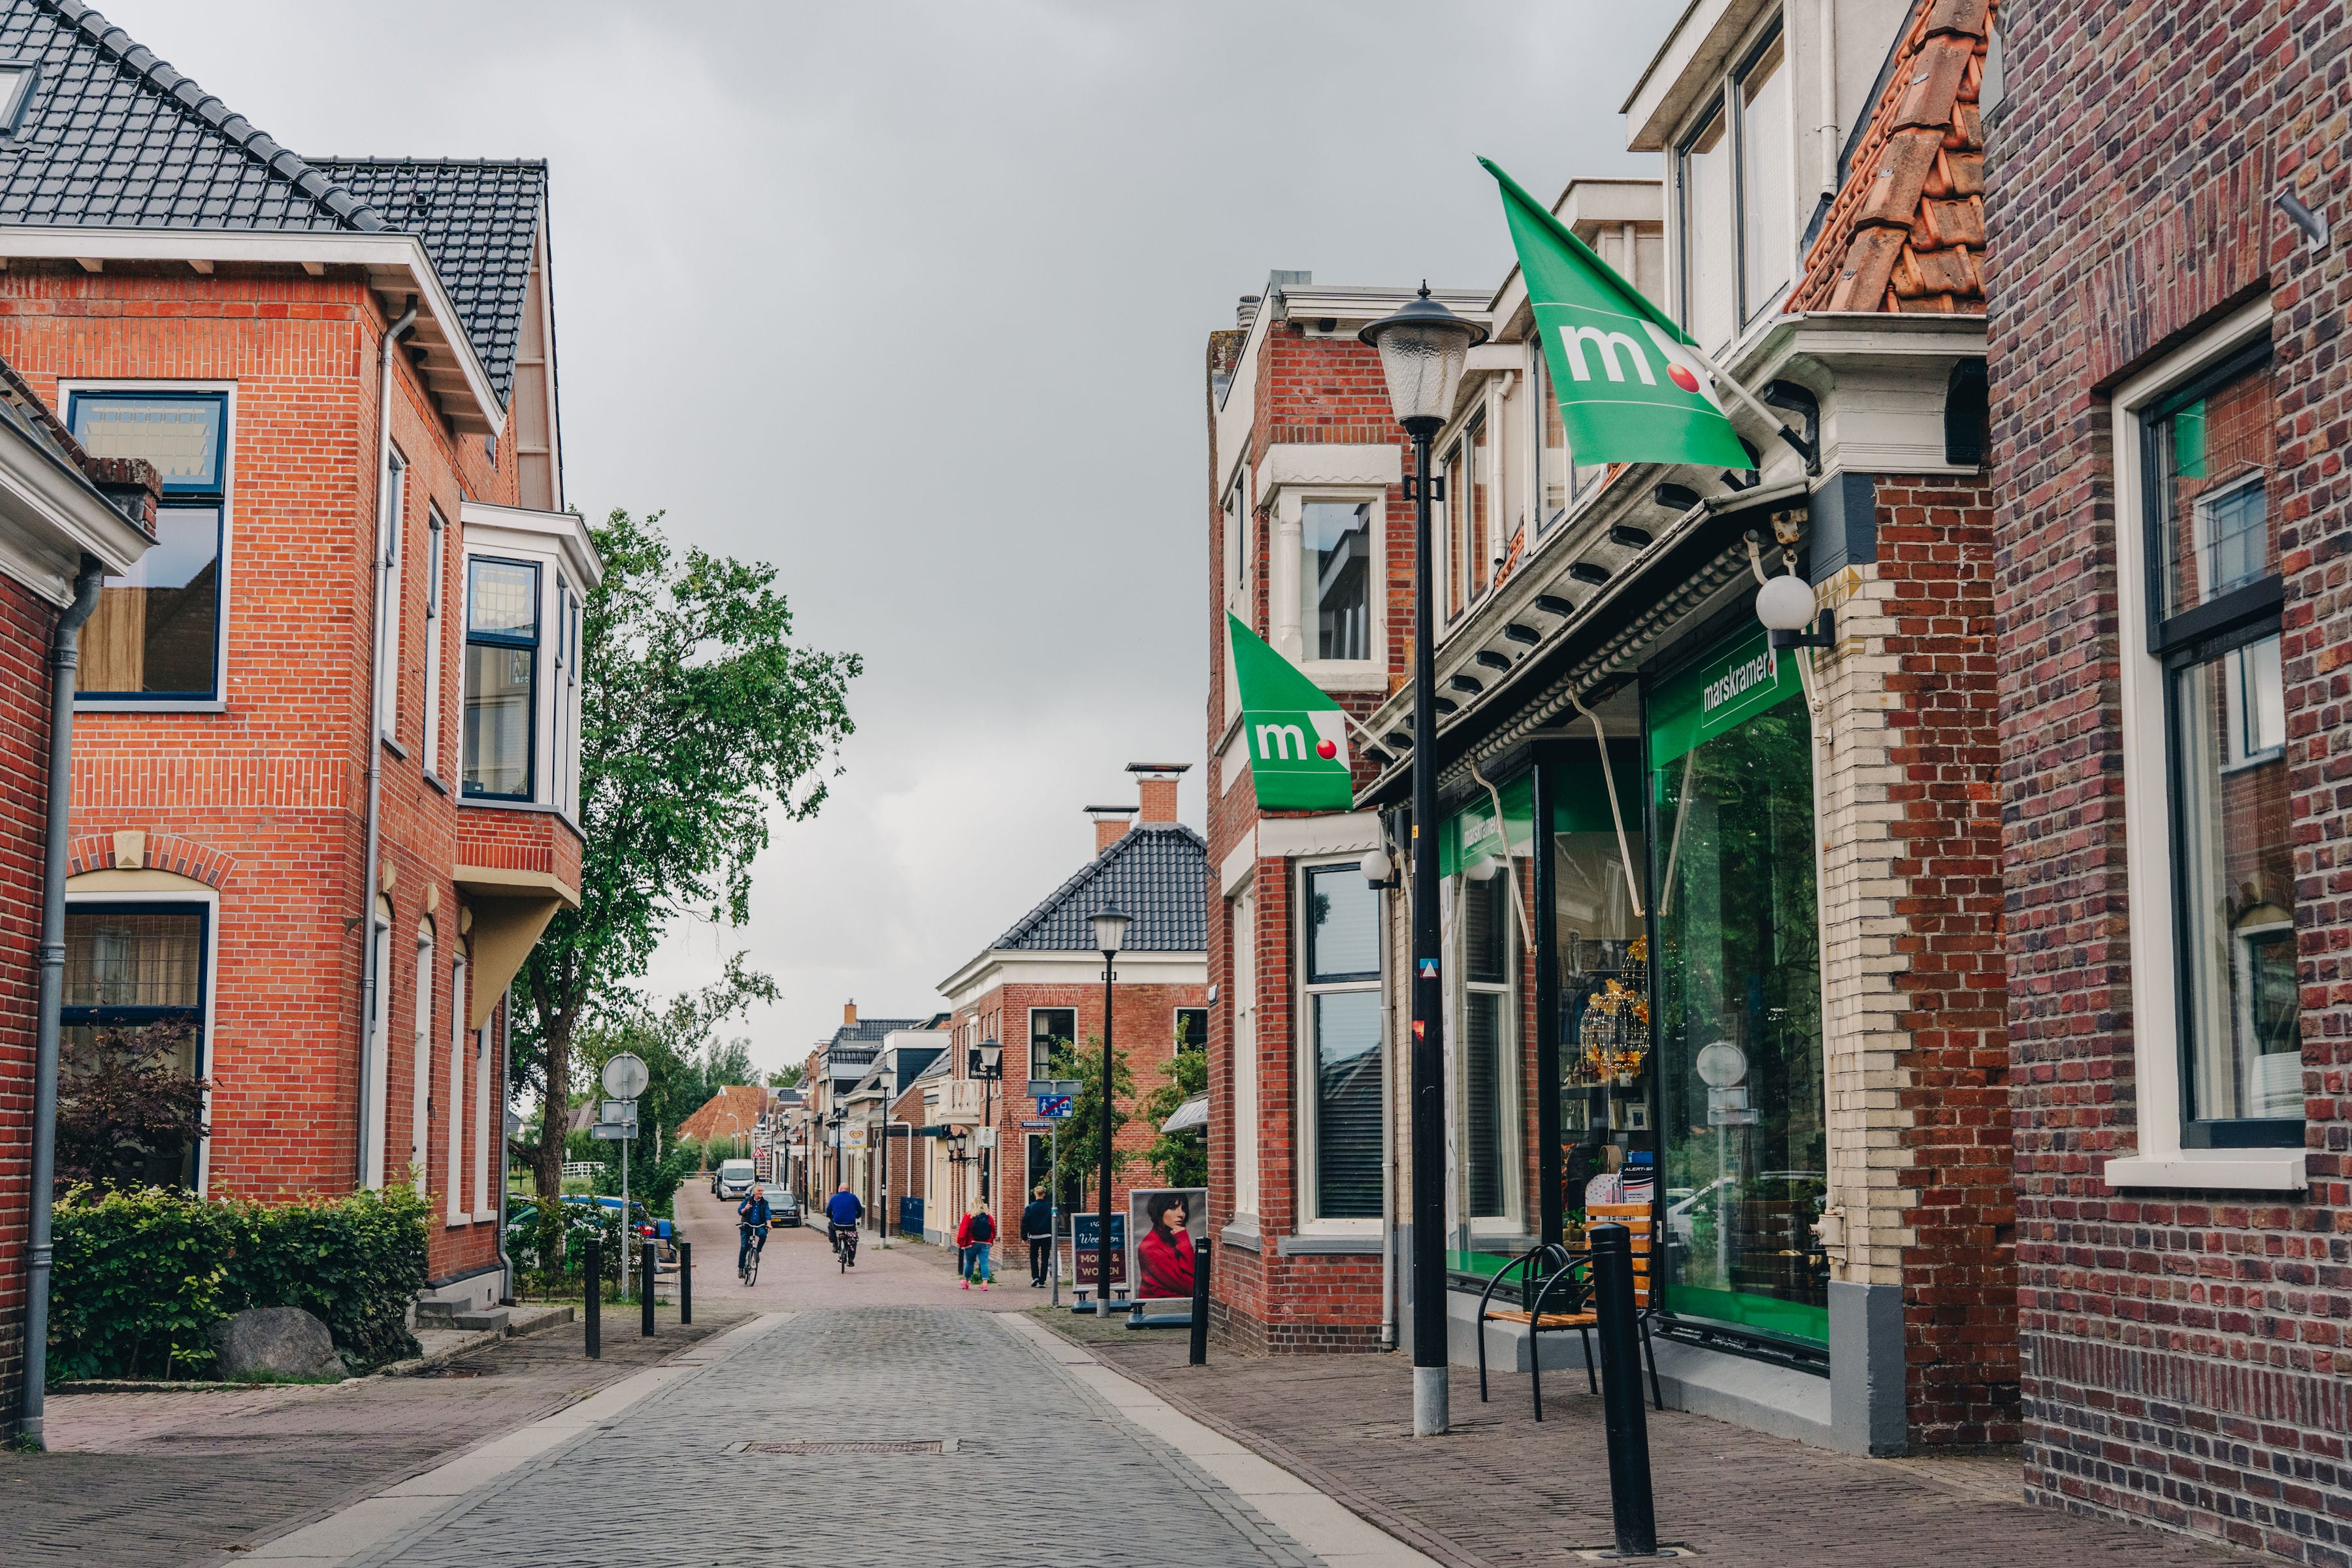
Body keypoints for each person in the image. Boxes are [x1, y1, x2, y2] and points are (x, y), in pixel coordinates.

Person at [1136, 1191, 1196, 1300]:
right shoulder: (1150, 1247)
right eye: (1173, 1208)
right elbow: (1193, 1288)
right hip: (1158, 1307)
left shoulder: (1172, 1239)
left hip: (1175, 1305)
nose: (1181, 1214)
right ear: (1159, 1211)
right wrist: (1184, 1242)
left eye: (1183, 1209)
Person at [956, 1201, 997, 1290]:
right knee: (984, 1263)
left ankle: (966, 1282)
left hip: (972, 1243)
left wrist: (960, 1241)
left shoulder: (969, 1215)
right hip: (985, 1243)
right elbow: (993, 1230)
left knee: (970, 1263)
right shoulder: (988, 1216)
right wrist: (991, 1239)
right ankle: (985, 1284)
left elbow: (963, 1230)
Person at [1021, 1184, 1054, 1288]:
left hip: (1035, 1236)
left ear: (1035, 1194)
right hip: (1047, 1236)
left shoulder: (1030, 1208)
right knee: (1045, 1258)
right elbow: (1055, 1221)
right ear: (1044, 1194)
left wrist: (1024, 1237)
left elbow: (1025, 1222)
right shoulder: (1050, 1207)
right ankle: (1042, 1281)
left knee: (1034, 1257)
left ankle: (1035, 1276)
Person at [736, 1184, 773, 1273]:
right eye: (759, 1191)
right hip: (747, 1225)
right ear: (754, 1192)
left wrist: (769, 1224)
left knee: (763, 1235)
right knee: (744, 1246)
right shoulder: (747, 1200)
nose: (761, 1193)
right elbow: (739, 1211)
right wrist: (745, 1209)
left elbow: (768, 1215)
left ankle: (757, 1251)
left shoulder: (765, 1203)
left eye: (762, 1191)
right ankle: (741, 1268)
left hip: (758, 1226)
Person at [825, 1183, 864, 1264]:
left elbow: (828, 1211)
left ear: (840, 1189)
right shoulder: (853, 1198)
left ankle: (835, 1244)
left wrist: (831, 1217)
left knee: (830, 1226)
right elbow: (860, 1209)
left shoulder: (834, 1198)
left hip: (837, 1223)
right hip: (850, 1224)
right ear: (848, 1190)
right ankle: (850, 1259)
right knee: (853, 1239)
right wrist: (857, 1216)